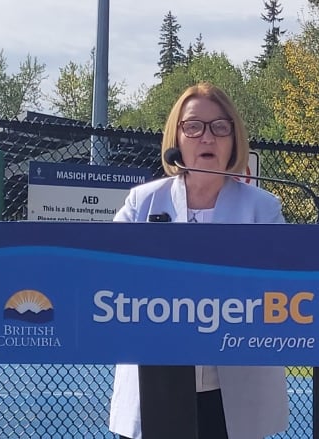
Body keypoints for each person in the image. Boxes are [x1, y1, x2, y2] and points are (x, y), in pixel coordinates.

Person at [108, 82, 290, 439]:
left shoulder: (262, 208)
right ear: (176, 139)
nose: (207, 138)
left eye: (220, 127)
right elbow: (110, 278)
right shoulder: (141, 202)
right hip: (154, 384)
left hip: (235, 393)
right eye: (193, 126)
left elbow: (280, 290)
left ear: (233, 139)